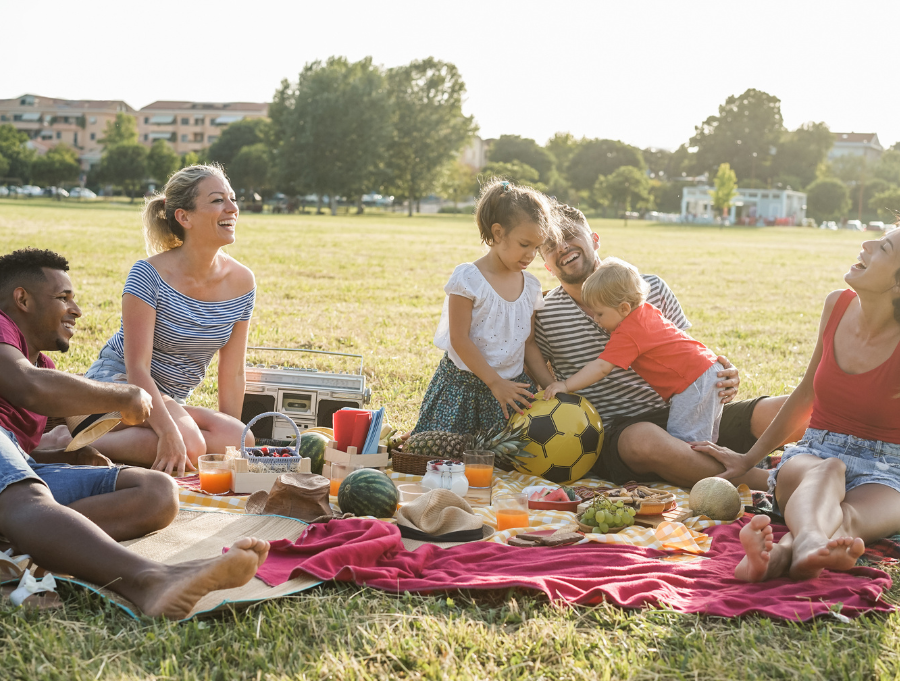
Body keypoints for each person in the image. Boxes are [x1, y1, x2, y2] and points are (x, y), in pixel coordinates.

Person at [0, 248, 269, 618]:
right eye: (64, 298)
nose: (75, 310)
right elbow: (29, 387)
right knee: (27, 498)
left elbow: (25, 447)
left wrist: (66, 454)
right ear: (22, 299)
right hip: (14, 484)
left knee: (157, 492)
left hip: (17, 474)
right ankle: (149, 579)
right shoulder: (6, 338)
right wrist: (124, 393)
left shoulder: (40, 363)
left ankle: (21, 546)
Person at [531, 204, 805, 488]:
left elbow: (685, 351)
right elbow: (540, 373)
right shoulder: (546, 313)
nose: (562, 246)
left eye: (570, 235)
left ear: (595, 239)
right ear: (546, 264)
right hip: (621, 431)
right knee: (645, 440)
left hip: (683, 405)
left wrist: (725, 375)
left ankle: (837, 465)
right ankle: (778, 483)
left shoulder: (650, 288)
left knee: (793, 410)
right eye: (550, 244)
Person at [694, 229, 900, 582]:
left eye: (883, 247)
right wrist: (748, 458)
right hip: (816, 455)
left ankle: (783, 554)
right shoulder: (837, 305)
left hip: (889, 471)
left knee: (847, 521)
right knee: (829, 469)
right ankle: (807, 544)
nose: (865, 245)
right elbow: (805, 394)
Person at [85, 164, 256, 476]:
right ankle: (67, 440)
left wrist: (231, 451)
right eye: (218, 200)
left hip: (168, 401)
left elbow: (232, 373)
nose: (233, 208)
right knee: (190, 445)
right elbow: (137, 368)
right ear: (184, 217)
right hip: (118, 386)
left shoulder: (243, 282)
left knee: (240, 439)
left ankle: (148, 434)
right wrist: (168, 433)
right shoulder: (148, 274)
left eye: (233, 198)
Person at [411, 179, 562, 435]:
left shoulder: (531, 287)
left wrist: (553, 389)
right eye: (524, 245)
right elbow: (459, 339)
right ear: (498, 233)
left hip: (511, 392)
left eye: (536, 248)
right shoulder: (469, 279)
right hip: (463, 391)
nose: (530, 255)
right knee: (445, 458)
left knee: (502, 463)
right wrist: (494, 382)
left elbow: (529, 344)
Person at [543, 257, 724, 444]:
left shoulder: (628, 332)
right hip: (707, 370)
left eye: (600, 313)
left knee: (683, 442)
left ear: (623, 308)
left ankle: (694, 472)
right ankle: (718, 468)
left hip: (693, 383)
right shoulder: (647, 311)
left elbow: (601, 367)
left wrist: (565, 385)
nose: (596, 319)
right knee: (706, 440)